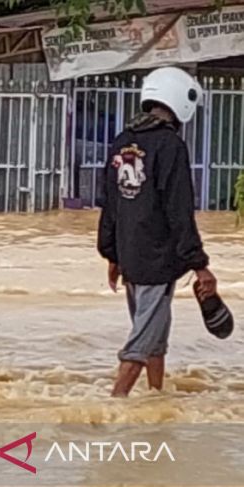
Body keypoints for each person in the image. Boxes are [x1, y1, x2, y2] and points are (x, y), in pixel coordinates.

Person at [98, 67, 218, 398]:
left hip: (131, 257)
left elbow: (110, 205)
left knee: (155, 339)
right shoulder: (170, 147)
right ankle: (112, 409)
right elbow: (179, 211)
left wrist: (112, 255)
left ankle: (156, 399)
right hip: (156, 261)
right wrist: (200, 265)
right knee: (140, 343)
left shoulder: (122, 143)